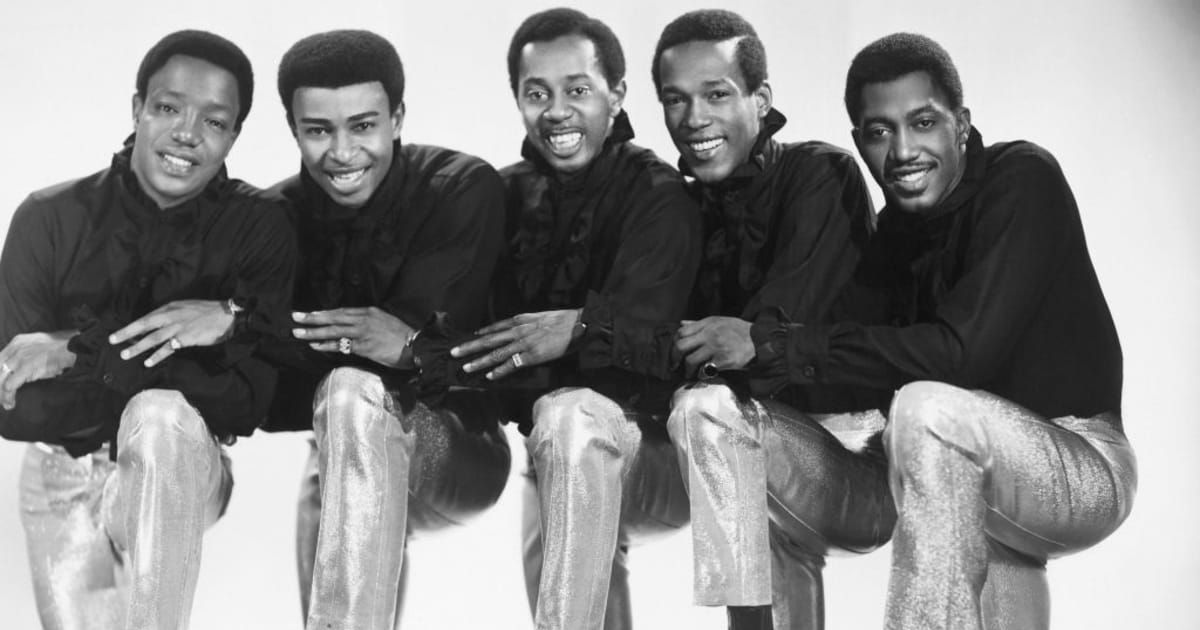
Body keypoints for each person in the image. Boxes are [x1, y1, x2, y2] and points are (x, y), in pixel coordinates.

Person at [761, 32, 1135, 629]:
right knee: (753, 430)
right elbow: (838, 378)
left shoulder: (1023, 179)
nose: (903, 150)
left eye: (923, 122)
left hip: (1080, 461)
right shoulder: (892, 234)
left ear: (961, 124)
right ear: (859, 142)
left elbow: (961, 356)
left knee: (928, 409)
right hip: (963, 470)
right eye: (880, 132)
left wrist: (791, 346)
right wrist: (749, 355)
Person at [0, 30, 295, 630]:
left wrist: (76, 352)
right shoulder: (48, 217)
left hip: (184, 461)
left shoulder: (262, 226)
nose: (187, 133)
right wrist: (187, 358)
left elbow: (248, 404)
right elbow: (17, 409)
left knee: (159, 417)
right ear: (137, 108)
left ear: (235, 135)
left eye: (214, 122)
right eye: (168, 108)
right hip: (63, 477)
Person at [447, 9, 701, 630]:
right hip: (549, 452)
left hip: (657, 457)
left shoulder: (660, 195)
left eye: (578, 89)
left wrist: (580, 326)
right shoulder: (502, 193)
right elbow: (472, 336)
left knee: (570, 420)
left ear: (616, 95)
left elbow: (655, 340)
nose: (557, 111)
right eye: (537, 94)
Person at [651, 10, 895, 630]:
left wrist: (703, 345)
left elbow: (763, 341)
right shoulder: (674, 207)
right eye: (676, 100)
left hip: (855, 461)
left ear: (760, 100)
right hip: (742, 450)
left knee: (710, 409)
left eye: (716, 94)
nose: (694, 118)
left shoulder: (821, 174)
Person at [262, 29, 511, 630]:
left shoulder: (461, 187)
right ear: (293, 128)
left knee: (350, 395)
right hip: (336, 454)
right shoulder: (272, 217)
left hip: (457, 445)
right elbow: (269, 387)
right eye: (319, 130)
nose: (343, 152)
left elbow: (435, 351)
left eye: (363, 126)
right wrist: (367, 342)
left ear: (397, 118)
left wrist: (350, 346)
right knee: (337, 441)